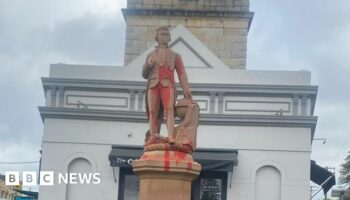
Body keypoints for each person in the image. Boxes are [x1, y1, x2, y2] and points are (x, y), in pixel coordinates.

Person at [142, 26, 192, 145]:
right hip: (153, 85)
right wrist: (149, 65)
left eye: (166, 34)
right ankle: (153, 136)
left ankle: (170, 136)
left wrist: (186, 89)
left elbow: (181, 73)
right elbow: (144, 75)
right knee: (153, 112)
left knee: (169, 110)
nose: (164, 36)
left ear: (169, 38)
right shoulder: (151, 55)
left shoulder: (175, 55)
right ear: (156, 37)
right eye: (161, 34)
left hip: (167, 84)